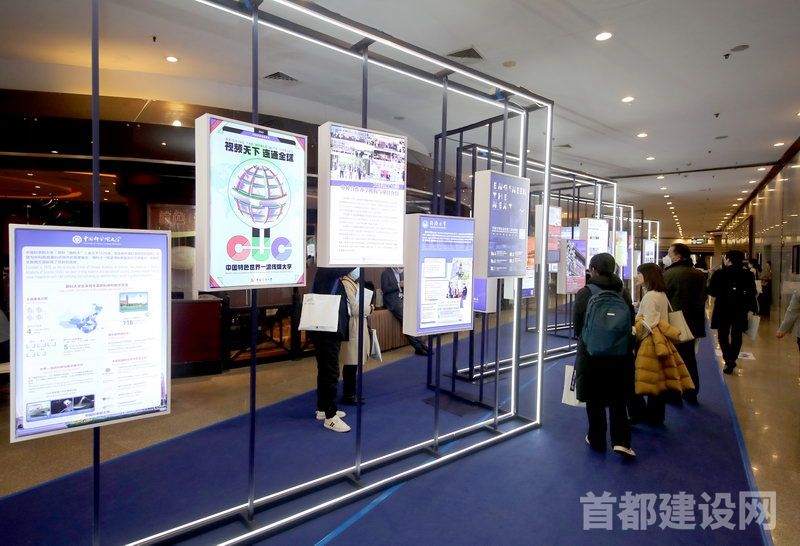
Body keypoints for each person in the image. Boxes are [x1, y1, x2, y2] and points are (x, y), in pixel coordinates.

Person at [573, 253, 636, 458]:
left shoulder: (585, 293)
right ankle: (622, 442)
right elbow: (631, 321)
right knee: (618, 398)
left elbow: (578, 327)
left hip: (591, 354)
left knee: (594, 398)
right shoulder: (622, 292)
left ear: (593, 269)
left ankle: (596, 438)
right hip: (620, 354)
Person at [632, 263, 695, 425]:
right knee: (658, 379)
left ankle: (645, 415)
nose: (636, 276)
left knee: (646, 377)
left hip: (650, 342)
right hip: (662, 340)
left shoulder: (650, 296)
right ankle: (656, 415)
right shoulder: (660, 294)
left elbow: (650, 323)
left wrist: (636, 334)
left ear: (647, 275)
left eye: (639, 273)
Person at [309, 266, 355, 433]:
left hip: (328, 330)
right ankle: (330, 416)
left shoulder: (330, 277)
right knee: (330, 372)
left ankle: (323, 408)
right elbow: (347, 266)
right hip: (327, 331)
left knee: (325, 370)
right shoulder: (326, 271)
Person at [662, 243, 707, 404]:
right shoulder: (698, 274)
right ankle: (691, 391)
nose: (667, 256)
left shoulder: (669, 274)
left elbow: (664, 298)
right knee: (689, 358)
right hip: (693, 322)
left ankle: (673, 394)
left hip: (674, 322)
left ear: (678, 257)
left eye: (669, 253)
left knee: (672, 359)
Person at [707, 250, 759, 375]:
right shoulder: (747, 274)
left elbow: (712, 291)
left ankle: (728, 359)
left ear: (729, 260)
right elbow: (753, 292)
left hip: (722, 308)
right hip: (740, 309)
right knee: (737, 335)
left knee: (723, 335)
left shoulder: (719, 273)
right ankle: (732, 358)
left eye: (725, 258)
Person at [339, 268, 373, 406]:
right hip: (353, 326)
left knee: (354, 363)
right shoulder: (346, 283)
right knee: (351, 362)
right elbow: (354, 308)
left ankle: (351, 393)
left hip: (358, 324)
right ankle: (349, 395)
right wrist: (370, 309)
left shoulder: (353, 282)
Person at [380, 266, 430, 355]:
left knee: (412, 320)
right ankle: (418, 346)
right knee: (407, 322)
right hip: (393, 301)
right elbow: (385, 289)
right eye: (400, 266)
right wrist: (398, 285)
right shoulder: (386, 273)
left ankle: (421, 344)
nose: (401, 268)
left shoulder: (401, 273)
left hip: (403, 299)